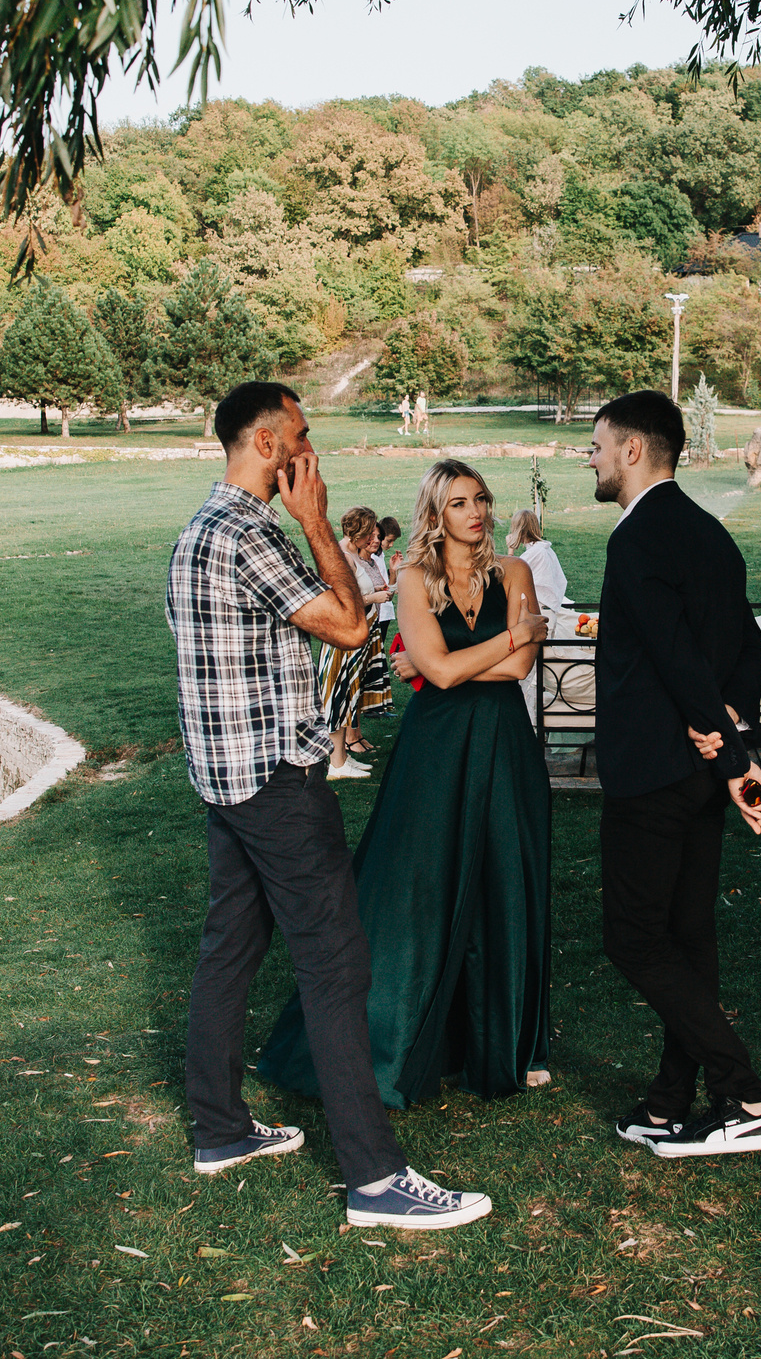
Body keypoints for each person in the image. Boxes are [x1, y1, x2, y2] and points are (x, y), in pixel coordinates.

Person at [164, 381, 490, 1230]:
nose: (312, 451)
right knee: (337, 964)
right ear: (271, 444)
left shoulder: (197, 531)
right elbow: (351, 627)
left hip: (224, 781)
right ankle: (376, 1178)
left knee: (229, 948)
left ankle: (220, 1128)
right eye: (302, 436)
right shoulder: (250, 534)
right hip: (277, 784)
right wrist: (317, 519)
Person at [260, 460, 555, 1108]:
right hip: (435, 750)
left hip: (506, 746)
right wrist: (507, 634)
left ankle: (513, 1043)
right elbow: (447, 673)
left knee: (509, 883)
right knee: (415, 887)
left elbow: (519, 669)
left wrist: (446, 659)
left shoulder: (517, 571)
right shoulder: (411, 577)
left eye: (480, 499)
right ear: (433, 514)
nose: (475, 512)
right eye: (457, 503)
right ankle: (398, 1034)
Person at [588, 390, 761, 1160]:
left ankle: (742, 1095)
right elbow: (748, 651)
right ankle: (672, 1100)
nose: (594, 458)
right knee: (686, 934)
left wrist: (727, 747)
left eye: (600, 444)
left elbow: (673, 656)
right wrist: (729, 725)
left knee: (634, 938)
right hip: (697, 774)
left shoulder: (638, 540)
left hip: (652, 773)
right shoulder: (711, 534)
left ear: (634, 449)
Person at [318, 508, 398, 780]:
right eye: (369, 534)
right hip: (341, 641)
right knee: (337, 697)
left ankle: (341, 759)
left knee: (348, 697)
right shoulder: (342, 558)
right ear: (357, 533)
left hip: (358, 637)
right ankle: (336, 763)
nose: (374, 538)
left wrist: (380, 592)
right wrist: (374, 599)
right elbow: (342, 604)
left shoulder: (354, 555)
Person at [506, 508, 574, 637]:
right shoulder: (544, 549)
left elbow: (509, 574)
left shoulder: (534, 553)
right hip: (548, 611)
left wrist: (510, 550)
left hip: (538, 614)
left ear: (518, 530)